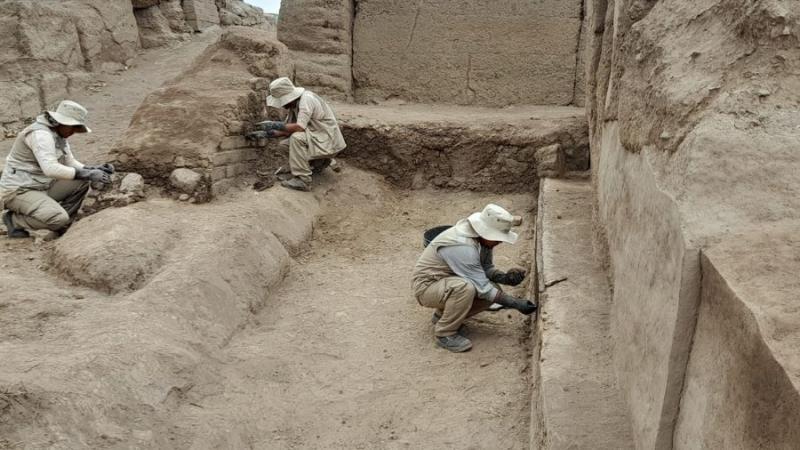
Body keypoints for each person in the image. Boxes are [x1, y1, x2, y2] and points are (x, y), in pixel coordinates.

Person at [412, 204, 537, 353]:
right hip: (426, 287)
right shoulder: (464, 246)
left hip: (446, 282)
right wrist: (516, 303)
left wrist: (505, 278)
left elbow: (485, 269)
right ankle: (445, 333)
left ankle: (441, 316)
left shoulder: (481, 241)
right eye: (498, 237)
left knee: (493, 290)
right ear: (487, 233)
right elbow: (483, 288)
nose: (500, 242)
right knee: (465, 288)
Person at [1, 100, 114, 239]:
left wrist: (91, 168)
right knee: (59, 218)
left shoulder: (58, 135)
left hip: (41, 185)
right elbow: (50, 169)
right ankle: (14, 221)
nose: (73, 131)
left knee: (81, 182)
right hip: (19, 190)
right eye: (72, 127)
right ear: (59, 121)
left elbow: (70, 161)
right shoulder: (40, 134)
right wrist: (88, 173)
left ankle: (62, 226)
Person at [260, 77, 346, 192]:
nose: (281, 105)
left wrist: (273, 124)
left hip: (327, 139)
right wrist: (267, 134)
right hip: (317, 138)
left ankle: (302, 180)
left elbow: (299, 127)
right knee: (284, 145)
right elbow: (287, 129)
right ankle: (319, 163)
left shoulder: (306, 100)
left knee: (296, 138)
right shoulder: (294, 106)